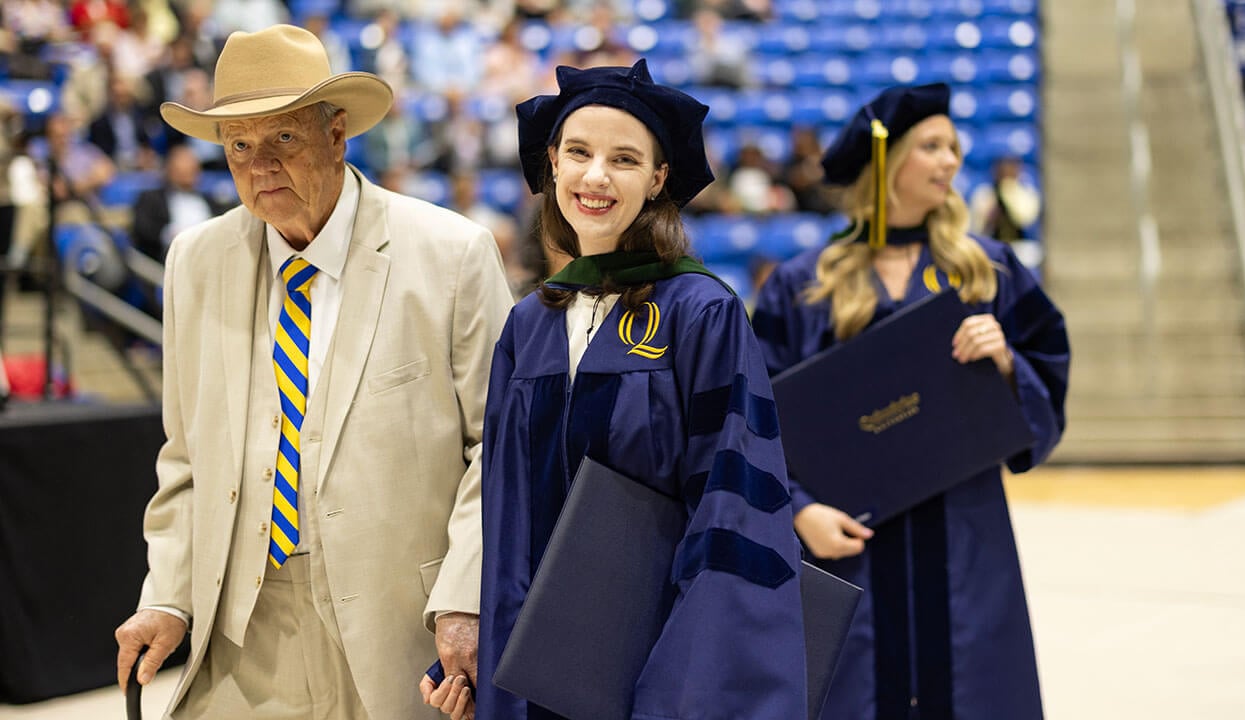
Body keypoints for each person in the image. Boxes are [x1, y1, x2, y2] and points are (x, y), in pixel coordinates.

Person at [112, 24, 513, 720]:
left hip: (402, 627)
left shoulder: (453, 254)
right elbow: (185, 458)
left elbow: (501, 448)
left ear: (337, 134)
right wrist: (168, 597)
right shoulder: (194, 261)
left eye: (282, 138)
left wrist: (464, 599)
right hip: (243, 632)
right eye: (238, 146)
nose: (259, 165)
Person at [472, 59, 808, 720]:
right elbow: (506, 521)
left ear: (657, 179)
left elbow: (731, 511)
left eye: (624, 159)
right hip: (537, 674)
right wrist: (492, 660)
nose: (595, 176)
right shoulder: (529, 326)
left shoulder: (701, 314)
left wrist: (683, 689)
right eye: (579, 153)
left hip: (662, 669)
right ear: (553, 165)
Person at [751, 83, 1070, 720]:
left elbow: (1047, 381)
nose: (951, 161)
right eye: (932, 146)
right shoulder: (805, 283)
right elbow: (759, 419)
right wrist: (798, 512)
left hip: (962, 534)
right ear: (887, 162)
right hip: (846, 547)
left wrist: (1008, 363)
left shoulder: (988, 270)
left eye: (953, 147)